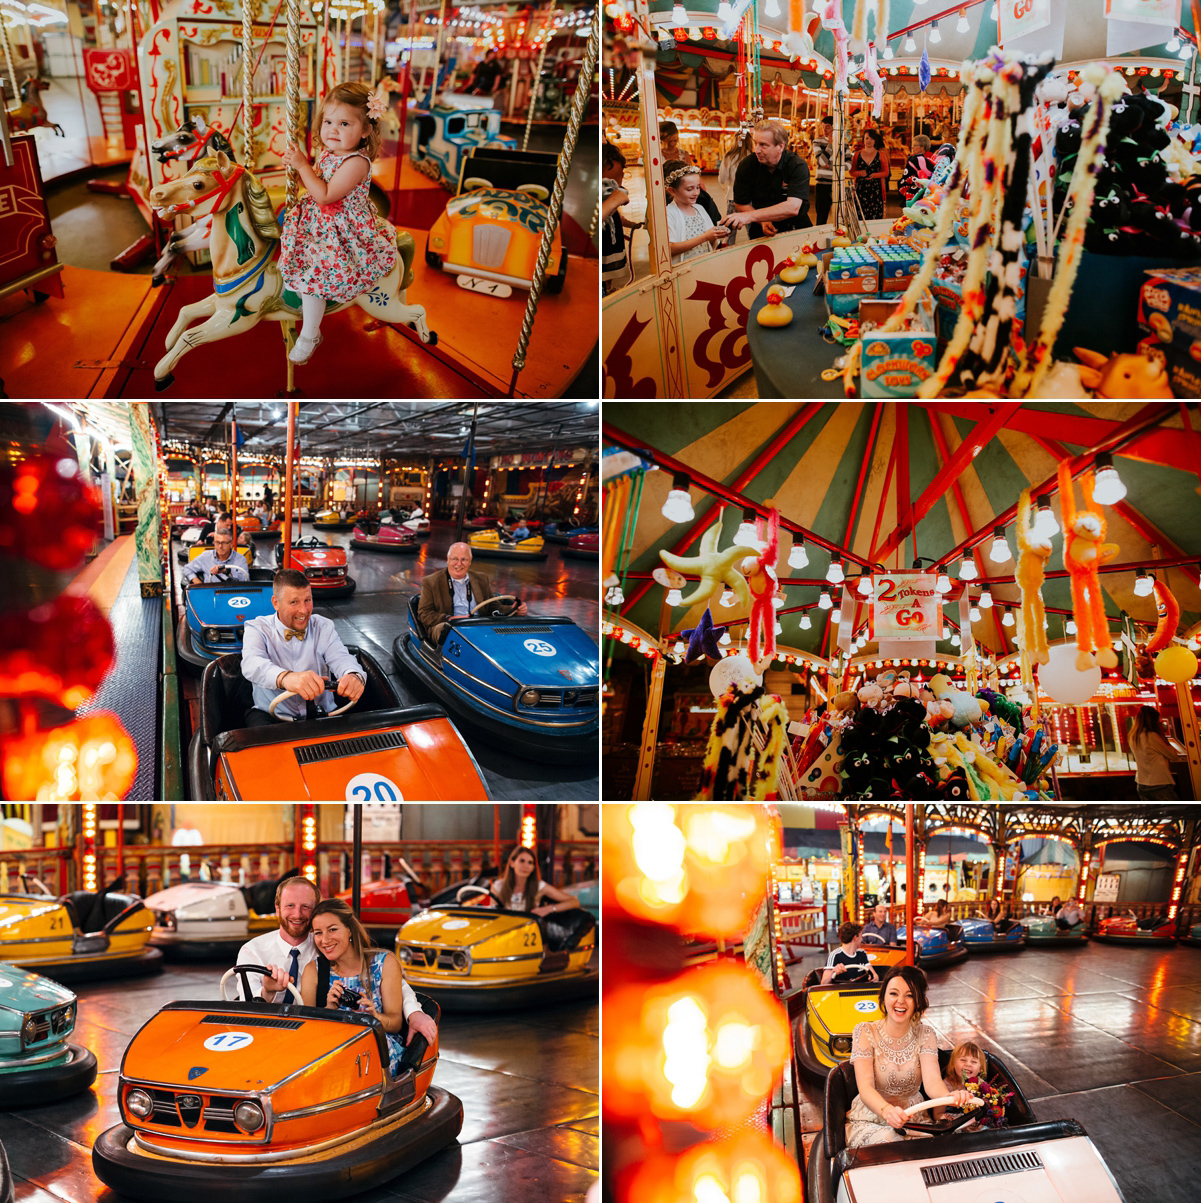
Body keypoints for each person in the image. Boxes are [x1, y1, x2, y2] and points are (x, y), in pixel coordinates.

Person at [281, 82, 397, 365]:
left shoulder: (356, 162)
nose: (333, 130)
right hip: (319, 224)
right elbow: (316, 184)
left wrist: (302, 166)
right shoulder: (331, 152)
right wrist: (302, 171)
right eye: (328, 121)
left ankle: (310, 334)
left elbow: (325, 195)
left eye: (344, 123)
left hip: (342, 231)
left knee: (313, 279)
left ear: (366, 130)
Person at [300, 898, 435, 1075]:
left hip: (377, 1047)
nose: (324, 940)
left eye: (332, 929)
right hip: (333, 1049)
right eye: (318, 933)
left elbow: (395, 1023)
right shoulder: (313, 971)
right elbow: (308, 1031)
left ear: (349, 929)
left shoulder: (384, 963)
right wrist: (328, 1010)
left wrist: (374, 1017)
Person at [846, 965, 973, 1147]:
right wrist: (887, 1111)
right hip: (873, 1117)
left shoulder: (925, 1034)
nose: (900, 1001)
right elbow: (865, 1088)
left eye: (909, 995)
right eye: (894, 994)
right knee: (891, 1142)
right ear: (883, 998)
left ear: (918, 1001)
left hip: (915, 1117)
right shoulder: (865, 1032)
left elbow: (932, 1083)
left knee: (939, 1148)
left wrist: (952, 1096)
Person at [240, 568, 365, 725]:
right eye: (294, 602)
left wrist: (353, 675)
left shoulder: (323, 626)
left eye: (308, 600)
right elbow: (252, 663)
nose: (304, 610)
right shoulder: (257, 628)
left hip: (323, 713)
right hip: (273, 716)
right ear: (275, 603)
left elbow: (340, 657)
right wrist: (286, 678)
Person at [417, 542, 527, 642]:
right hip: (448, 626)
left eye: (464, 559)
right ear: (448, 559)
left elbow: (492, 607)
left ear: (470, 560)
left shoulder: (481, 579)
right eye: (455, 559)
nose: (459, 564)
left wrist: (515, 609)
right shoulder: (431, 581)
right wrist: (449, 618)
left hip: (478, 626)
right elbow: (423, 614)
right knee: (449, 631)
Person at [723, 120, 812, 240]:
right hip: (761, 231)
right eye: (755, 143)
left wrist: (749, 217)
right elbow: (740, 202)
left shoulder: (796, 165)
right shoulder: (747, 165)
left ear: (780, 146)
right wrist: (763, 221)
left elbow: (793, 207)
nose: (757, 150)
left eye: (763, 145)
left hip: (796, 230)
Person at [664, 163, 728, 266]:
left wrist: (717, 233)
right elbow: (669, 249)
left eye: (698, 187)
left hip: (705, 264)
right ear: (672, 191)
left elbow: (710, 241)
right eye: (690, 189)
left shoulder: (700, 209)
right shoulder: (669, 214)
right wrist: (705, 237)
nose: (696, 193)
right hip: (685, 269)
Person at [660, 121, 722, 226]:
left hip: (683, 189)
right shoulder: (657, 154)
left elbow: (690, 173)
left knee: (704, 198)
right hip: (666, 192)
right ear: (661, 140)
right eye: (669, 141)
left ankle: (709, 222)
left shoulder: (683, 154)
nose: (673, 144)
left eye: (675, 140)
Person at [491, 845, 581, 916]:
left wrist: (549, 909)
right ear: (512, 863)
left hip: (530, 933)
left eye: (530, 862)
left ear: (533, 868)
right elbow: (492, 912)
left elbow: (574, 902)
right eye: (522, 861)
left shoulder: (539, 886)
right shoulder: (498, 886)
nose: (526, 866)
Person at [602, 142, 642, 294]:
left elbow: (615, 213)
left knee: (611, 268)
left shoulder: (612, 190)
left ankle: (608, 287)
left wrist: (630, 224)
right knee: (605, 265)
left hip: (614, 235)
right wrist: (613, 199)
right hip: (605, 238)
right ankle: (605, 289)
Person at [1129, 705, 1184, 800]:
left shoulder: (1133, 736)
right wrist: (1163, 735)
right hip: (1158, 783)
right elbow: (1173, 756)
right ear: (1153, 721)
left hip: (1141, 782)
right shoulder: (1152, 737)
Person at [181, 528, 250, 584]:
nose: (220, 546)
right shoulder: (205, 556)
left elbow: (245, 578)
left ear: (231, 543)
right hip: (210, 595)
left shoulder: (240, 559)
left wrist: (227, 571)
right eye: (217, 542)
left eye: (224, 543)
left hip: (233, 595)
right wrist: (196, 581)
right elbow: (187, 568)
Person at [850, 128, 888, 221]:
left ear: (875, 140)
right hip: (860, 190)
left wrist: (875, 175)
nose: (869, 141)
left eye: (871, 139)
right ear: (863, 140)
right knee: (860, 216)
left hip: (876, 190)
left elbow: (886, 172)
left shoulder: (881, 154)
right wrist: (859, 173)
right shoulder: (857, 154)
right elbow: (851, 172)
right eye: (867, 138)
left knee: (875, 217)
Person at [812, 116, 835, 224]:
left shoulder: (842, 144)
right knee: (821, 217)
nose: (825, 130)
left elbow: (848, 165)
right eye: (823, 127)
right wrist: (830, 144)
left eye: (827, 127)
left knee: (838, 217)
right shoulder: (817, 142)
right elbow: (821, 161)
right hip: (822, 184)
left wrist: (828, 164)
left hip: (836, 184)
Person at [899, 133, 935, 204]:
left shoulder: (916, 159)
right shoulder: (931, 157)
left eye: (915, 145)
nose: (912, 147)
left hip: (916, 193)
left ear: (922, 147)